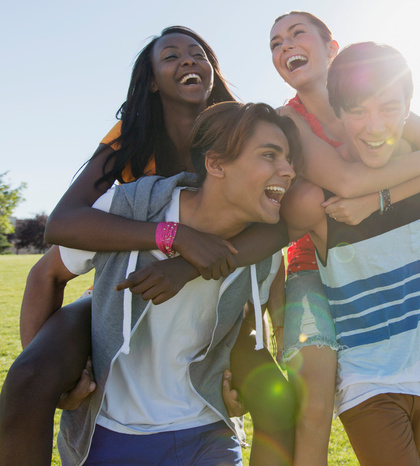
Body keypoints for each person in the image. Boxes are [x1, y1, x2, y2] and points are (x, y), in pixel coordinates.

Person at [0, 27, 294, 466]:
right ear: (152, 80)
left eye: (198, 54)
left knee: (278, 399)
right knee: (28, 378)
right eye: (172, 56)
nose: (189, 61)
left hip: (211, 286)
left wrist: (186, 266)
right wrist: (173, 236)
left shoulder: (236, 128)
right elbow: (63, 224)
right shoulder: (132, 137)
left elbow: (277, 229)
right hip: (125, 284)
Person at [269, 12, 420, 465]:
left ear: (332, 48)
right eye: (275, 42)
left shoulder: (380, 93)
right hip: (318, 263)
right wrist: (384, 191)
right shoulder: (290, 118)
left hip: (380, 251)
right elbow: (347, 182)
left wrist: (380, 200)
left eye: (297, 33)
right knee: (317, 394)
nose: (285, 45)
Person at [54, 101, 299, 464]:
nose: (289, 171)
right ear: (215, 164)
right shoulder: (131, 208)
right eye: (270, 155)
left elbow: (245, 323)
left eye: (290, 159)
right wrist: (55, 377)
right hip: (113, 431)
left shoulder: (263, 251)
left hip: (206, 431)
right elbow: (47, 273)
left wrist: (242, 382)